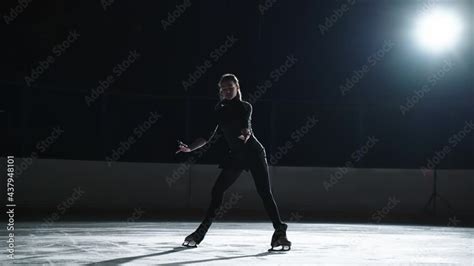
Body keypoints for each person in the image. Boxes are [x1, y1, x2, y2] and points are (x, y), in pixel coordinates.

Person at [176, 73, 291, 251]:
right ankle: (200, 233)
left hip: (253, 153)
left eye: (230, 87)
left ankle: (280, 232)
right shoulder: (219, 110)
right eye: (223, 88)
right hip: (237, 156)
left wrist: (244, 135)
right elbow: (207, 136)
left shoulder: (245, 106)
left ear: (237, 87)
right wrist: (190, 148)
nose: (227, 91)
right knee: (217, 190)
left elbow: (246, 128)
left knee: (264, 192)